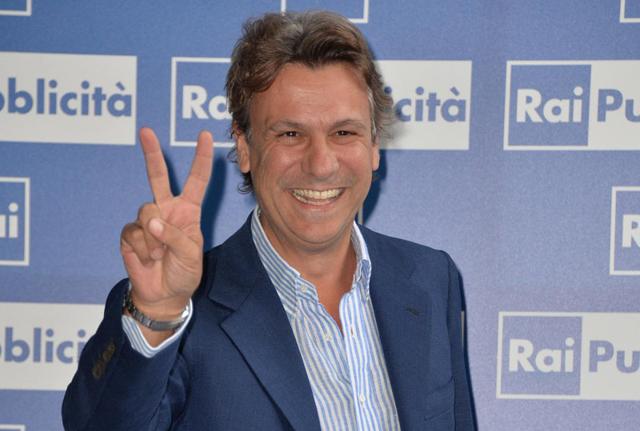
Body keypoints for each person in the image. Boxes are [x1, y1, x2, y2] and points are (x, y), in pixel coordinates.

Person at [62, 10, 475, 430]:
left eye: (344, 133)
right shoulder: (181, 307)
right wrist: (157, 313)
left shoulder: (430, 277)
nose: (321, 164)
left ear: (373, 145)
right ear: (244, 147)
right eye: (290, 134)